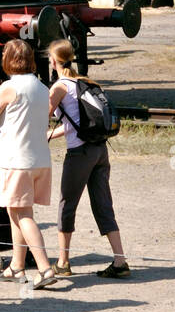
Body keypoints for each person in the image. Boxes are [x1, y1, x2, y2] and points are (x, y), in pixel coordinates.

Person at [0, 39, 61, 289]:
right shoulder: (41, 87)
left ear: (8, 59)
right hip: (39, 159)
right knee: (16, 211)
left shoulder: (8, 87)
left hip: (15, 159)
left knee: (22, 214)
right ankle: (17, 265)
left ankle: (45, 268)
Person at [46, 39, 129, 278]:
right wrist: (52, 134)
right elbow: (76, 124)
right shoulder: (85, 82)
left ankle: (63, 262)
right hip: (99, 149)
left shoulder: (60, 87)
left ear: (53, 61)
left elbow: (44, 114)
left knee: (66, 204)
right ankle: (120, 260)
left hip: (80, 154)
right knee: (103, 204)